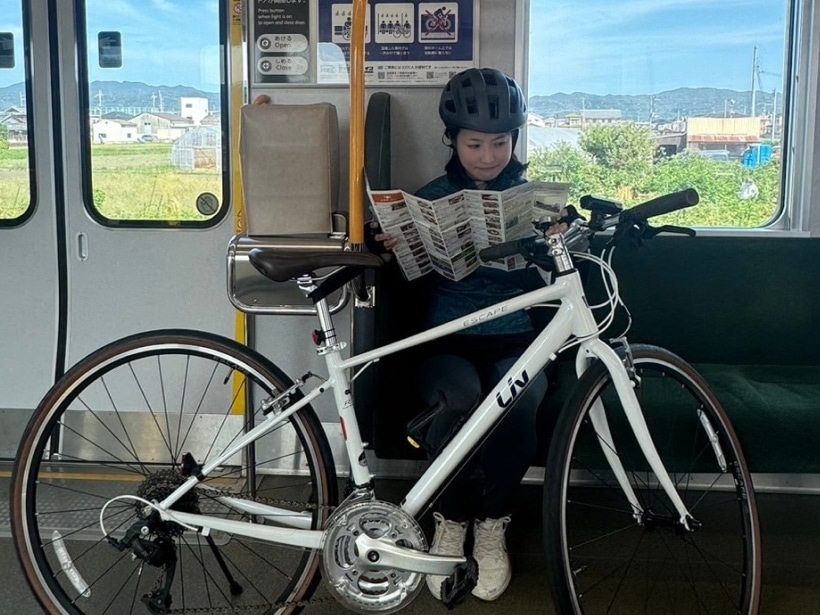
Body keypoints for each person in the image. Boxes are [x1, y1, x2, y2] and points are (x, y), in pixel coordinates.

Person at [375, 67, 552, 603]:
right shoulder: (429, 198)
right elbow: (403, 281)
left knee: (518, 404)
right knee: (457, 402)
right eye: (475, 144)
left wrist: (558, 237)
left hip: (515, 333)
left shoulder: (533, 200)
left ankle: (492, 523)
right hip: (448, 335)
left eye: (500, 143)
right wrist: (392, 246)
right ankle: (451, 520)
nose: (489, 156)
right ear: (452, 140)